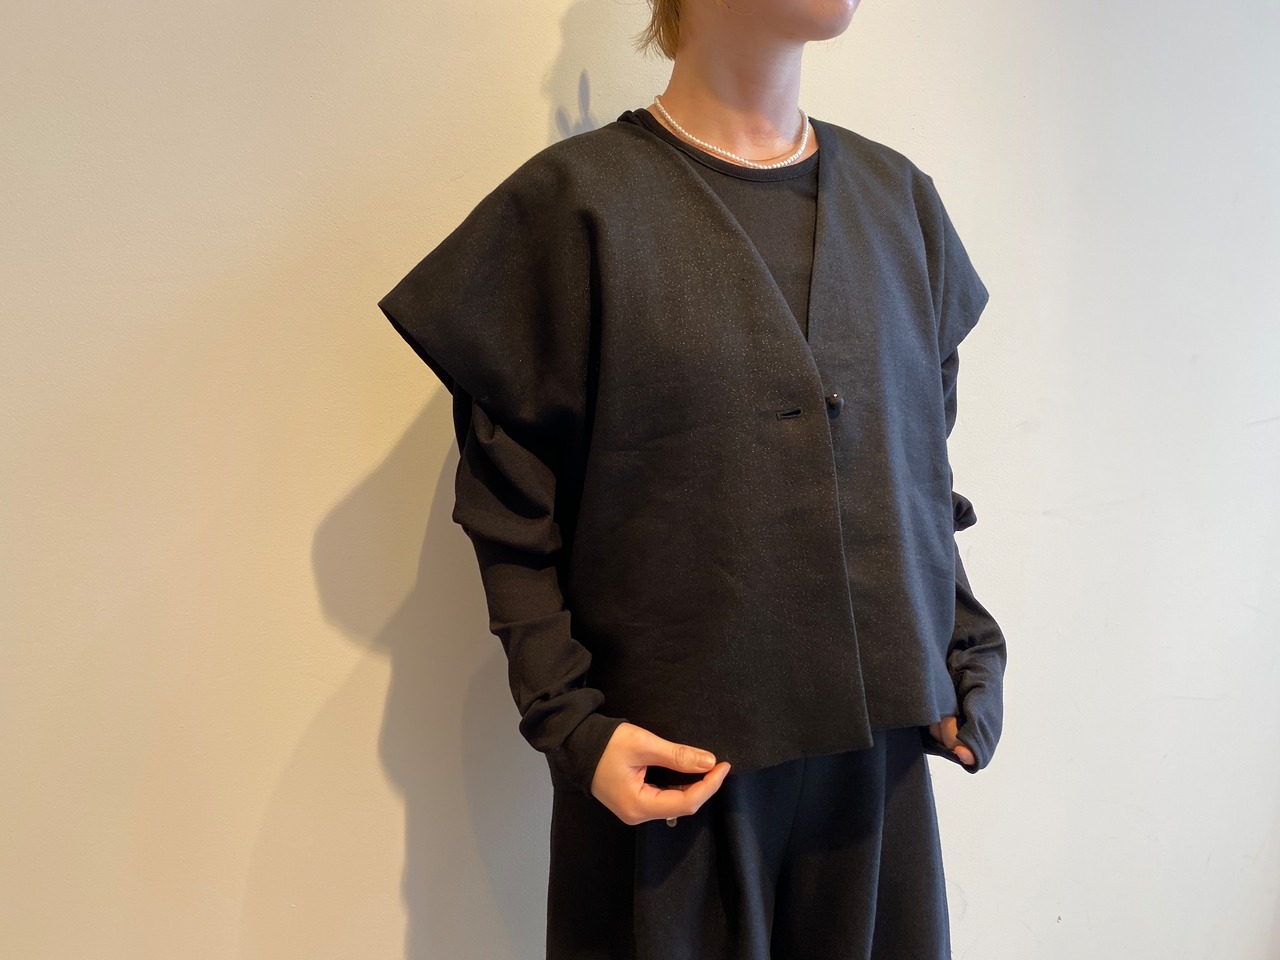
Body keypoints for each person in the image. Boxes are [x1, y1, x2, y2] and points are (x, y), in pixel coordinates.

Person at [378, 0, 1007, 956]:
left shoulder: (900, 206)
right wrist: (573, 724)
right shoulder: (574, 210)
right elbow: (511, 509)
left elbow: (917, 473)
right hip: (671, 805)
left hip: (878, 791)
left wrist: (962, 640)